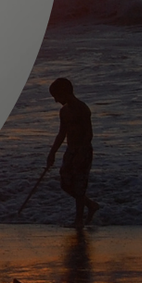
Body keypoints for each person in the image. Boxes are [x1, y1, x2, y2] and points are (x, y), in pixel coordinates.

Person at [46, 77, 99, 228]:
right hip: (70, 150)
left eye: (57, 96)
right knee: (65, 182)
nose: (56, 100)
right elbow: (61, 134)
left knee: (79, 186)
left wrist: (81, 153)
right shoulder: (64, 111)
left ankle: (79, 221)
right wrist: (52, 153)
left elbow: (88, 134)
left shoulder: (82, 109)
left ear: (65, 93)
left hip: (83, 150)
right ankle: (91, 205)